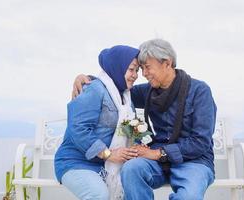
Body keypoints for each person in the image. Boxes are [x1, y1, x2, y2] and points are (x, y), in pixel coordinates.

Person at [72, 38, 217, 200]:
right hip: (158, 163)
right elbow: (114, 87)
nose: (144, 74)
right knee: (131, 169)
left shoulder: (199, 91)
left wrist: (157, 153)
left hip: (193, 161)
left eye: (147, 68)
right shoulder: (147, 91)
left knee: (189, 196)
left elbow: (200, 142)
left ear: (167, 63)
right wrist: (87, 79)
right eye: (141, 68)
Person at [55, 45, 140, 200]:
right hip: (76, 162)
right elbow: (78, 128)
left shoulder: (126, 99)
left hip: (106, 166)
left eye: (137, 70)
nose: (135, 75)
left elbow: (133, 130)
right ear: (117, 67)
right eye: (131, 69)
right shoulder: (95, 89)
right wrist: (108, 154)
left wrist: (140, 145)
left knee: (133, 188)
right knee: (98, 195)